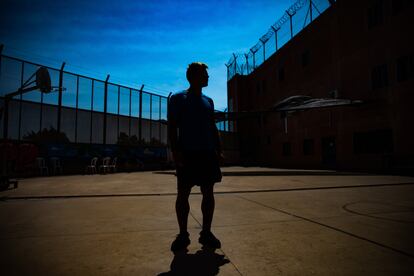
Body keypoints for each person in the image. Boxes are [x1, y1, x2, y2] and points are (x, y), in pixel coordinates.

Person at [168, 62, 223, 252]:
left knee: (209, 193)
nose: (208, 77)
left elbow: (213, 127)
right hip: (188, 154)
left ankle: (206, 233)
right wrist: (175, 151)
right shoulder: (177, 98)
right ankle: (183, 235)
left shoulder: (209, 101)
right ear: (193, 77)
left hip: (207, 154)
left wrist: (218, 149)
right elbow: (172, 127)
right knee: (183, 194)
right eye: (204, 74)